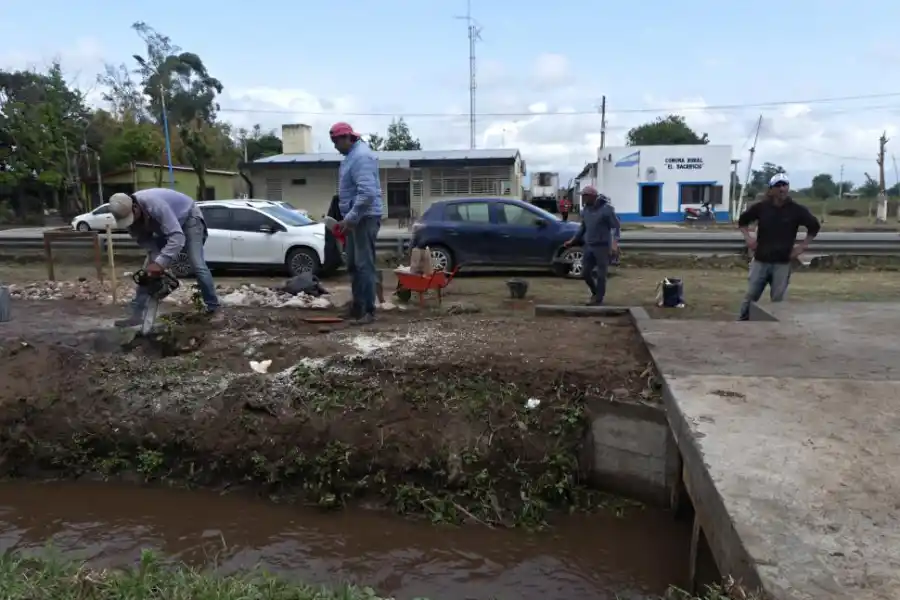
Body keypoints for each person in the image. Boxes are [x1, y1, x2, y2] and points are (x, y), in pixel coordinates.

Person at [109, 188, 219, 326]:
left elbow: (177, 237)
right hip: (167, 226)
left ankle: (213, 307)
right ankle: (136, 315)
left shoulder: (155, 205)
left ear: (135, 207)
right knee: (147, 272)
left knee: (197, 264)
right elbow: (144, 241)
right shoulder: (128, 218)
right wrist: (155, 262)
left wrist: (160, 263)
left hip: (188, 217)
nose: (130, 223)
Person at [736, 173, 820, 321]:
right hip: (761, 260)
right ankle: (742, 323)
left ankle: (776, 330)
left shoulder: (796, 210)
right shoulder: (761, 208)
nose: (782, 189)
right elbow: (742, 222)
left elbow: (814, 227)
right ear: (771, 190)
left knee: (778, 301)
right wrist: (748, 238)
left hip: (782, 262)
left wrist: (802, 247)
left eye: (784, 185)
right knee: (751, 296)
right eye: (778, 186)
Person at [330, 121, 383, 325]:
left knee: (364, 265)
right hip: (355, 219)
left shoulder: (361, 157)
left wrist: (350, 218)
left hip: (364, 218)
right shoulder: (351, 157)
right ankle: (358, 307)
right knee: (353, 264)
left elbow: (367, 194)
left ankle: (368, 311)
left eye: (336, 141)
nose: (335, 146)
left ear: (346, 138)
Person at [564, 186, 620, 305]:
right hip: (589, 246)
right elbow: (583, 227)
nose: (582, 199)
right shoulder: (585, 211)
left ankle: (598, 299)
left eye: (584, 196)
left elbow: (616, 227)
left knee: (601, 275)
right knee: (585, 272)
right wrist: (572, 240)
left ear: (592, 196)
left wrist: (614, 243)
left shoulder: (606, 209)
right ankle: (595, 292)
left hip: (602, 247)